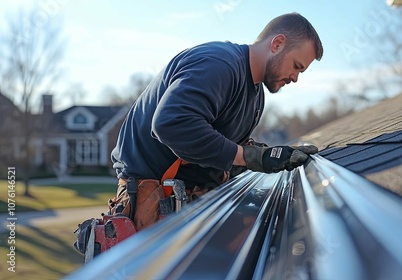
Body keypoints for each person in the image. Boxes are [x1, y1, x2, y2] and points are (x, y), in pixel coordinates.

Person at [110, 12, 323, 229]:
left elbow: (224, 152)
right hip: (152, 202)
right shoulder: (219, 64)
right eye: (297, 66)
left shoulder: (255, 94)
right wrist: (249, 156)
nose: (295, 78)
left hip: (189, 204)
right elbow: (172, 123)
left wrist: (270, 157)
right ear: (277, 44)